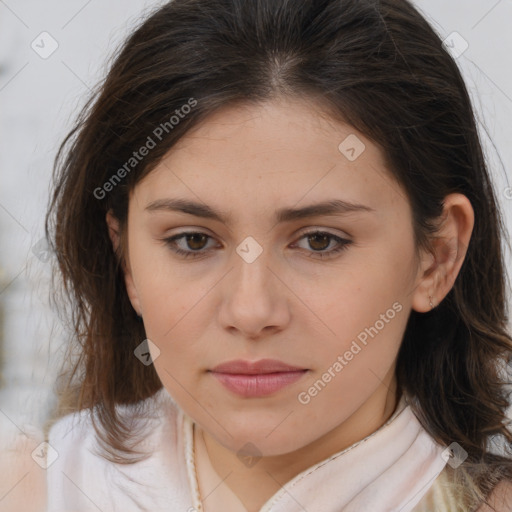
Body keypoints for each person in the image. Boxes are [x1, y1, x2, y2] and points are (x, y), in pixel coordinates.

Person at [43, 0, 512, 510]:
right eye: (193, 241)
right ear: (126, 258)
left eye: (320, 241)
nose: (250, 311)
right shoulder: (31, 489)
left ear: (437, 256)